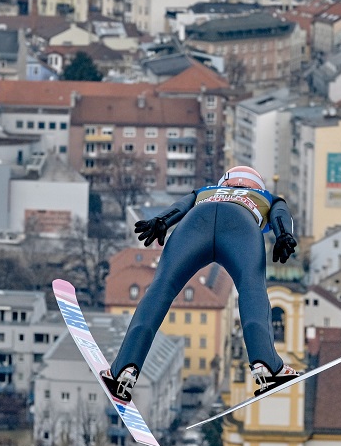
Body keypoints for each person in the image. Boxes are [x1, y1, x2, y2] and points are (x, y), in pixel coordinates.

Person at [101, 166, 299, 402]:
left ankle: (124, 371)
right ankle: (267, 366)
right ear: (257, 186)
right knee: (251, 289)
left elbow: (180, 207)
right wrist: (284, 235)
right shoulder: (267, 198)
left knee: (161, 289)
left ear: (224, 183)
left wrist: (160, 221)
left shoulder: (206, 191)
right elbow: (280, 216)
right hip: (241, 226)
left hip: (195, 224)